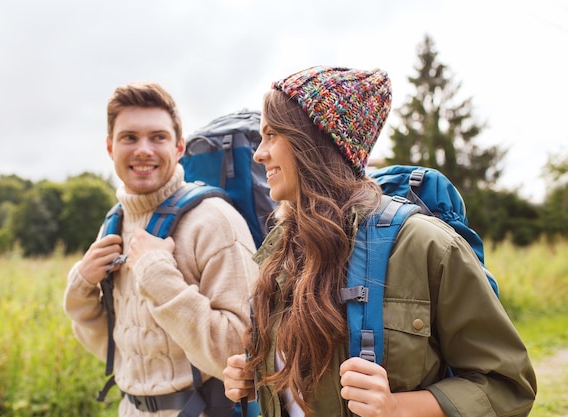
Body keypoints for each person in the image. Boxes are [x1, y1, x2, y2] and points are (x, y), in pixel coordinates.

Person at [222, 66, 537, 417]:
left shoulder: (425, 245)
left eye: (272, 135)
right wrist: (256, 377)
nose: (258, 153)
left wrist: (397, 406)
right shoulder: (280, 253)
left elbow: (508, 385)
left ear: (314, 140)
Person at [63, 81, 259, 417]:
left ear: (179, 146)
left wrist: (157, 274)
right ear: (110, 147)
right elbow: (116, 347)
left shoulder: (214, 221)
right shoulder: (114, 224)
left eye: (158, 137)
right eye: (129, 137)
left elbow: (240, 349)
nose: (143, 150)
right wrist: (81, 285)